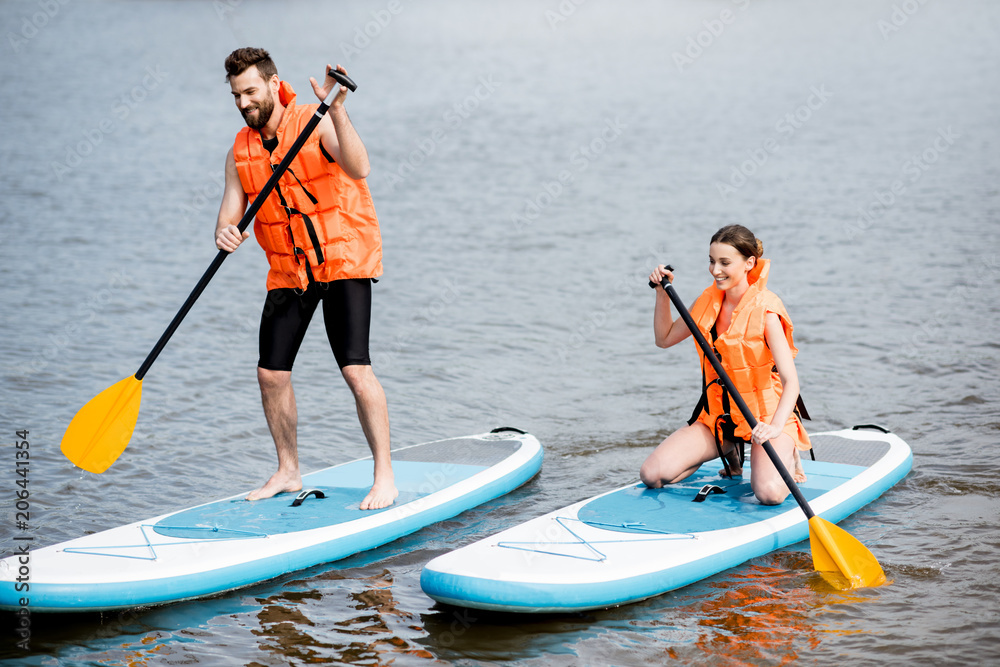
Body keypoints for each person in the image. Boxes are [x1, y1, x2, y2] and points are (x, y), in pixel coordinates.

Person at [214, 47, 397, 509]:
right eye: (237, 95)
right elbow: (229, 214)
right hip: (289, 271)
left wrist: (337, 111)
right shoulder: (241, 150)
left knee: (356, 370)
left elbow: (359, 167)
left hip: (341, 260)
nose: (243, 102)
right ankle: (288, 470)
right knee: (270, 374)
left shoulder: (314, 122)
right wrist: (224, 233)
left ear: (275, 85)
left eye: (251, 91)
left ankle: (385, 476)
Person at [640, 225, 810, 505]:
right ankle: (729, 449)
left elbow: (792, 382)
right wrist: (661, 292)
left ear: (749, 263)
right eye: (711, 261)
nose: (715, 270)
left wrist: (775, 428)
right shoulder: (707, 302)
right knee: (652, 474)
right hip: (719, 420)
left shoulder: (766, 311)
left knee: (768, 493)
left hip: (764, 419)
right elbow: (664, 338)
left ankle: (789, 456)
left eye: (724, 262)